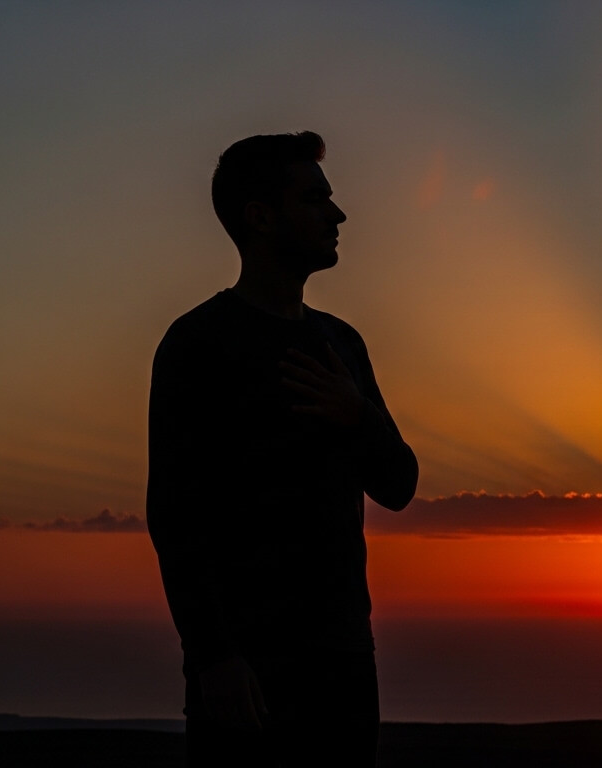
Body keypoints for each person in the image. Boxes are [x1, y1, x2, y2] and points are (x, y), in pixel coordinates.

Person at [146, 131, 418, 767]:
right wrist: (213, 658)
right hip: (249, 674)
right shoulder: (198, 345)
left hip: (346, 665)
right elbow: (175, 516)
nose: (338, 213)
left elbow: (399, 484)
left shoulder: (341, 344)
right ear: (261, 218)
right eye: (315, 198)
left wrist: (357, 418)